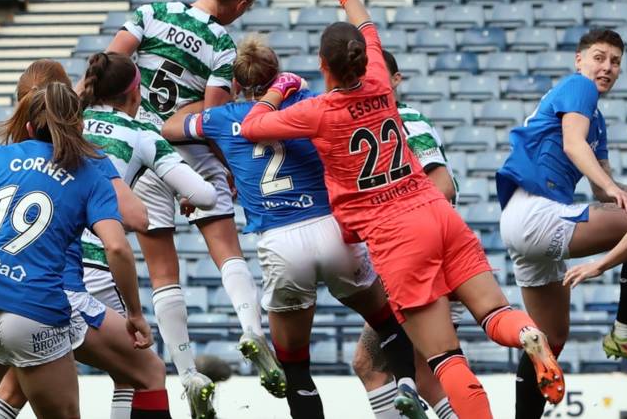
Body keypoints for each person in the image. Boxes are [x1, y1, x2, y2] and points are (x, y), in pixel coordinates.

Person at [239, 0, 564, 419]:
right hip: (436, 212)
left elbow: (251, 127)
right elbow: (365, 23)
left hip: (395, 234)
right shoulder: (379, 80)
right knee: (495, 313)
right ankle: (528, 335)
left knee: (444, 358)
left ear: (324, 66)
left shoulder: (320, 112)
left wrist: (277, 90)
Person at [162, 34, 428, 419]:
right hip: (331, 229)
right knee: (386, 322)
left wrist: (209, 108)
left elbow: (170, 128)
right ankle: (406, 384)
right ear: (277, 76)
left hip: (280, 242)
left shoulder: (221, 119)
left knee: (296, 365)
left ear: (237, 83)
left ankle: (262, 343)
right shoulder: (311, 105)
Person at [102, 0, 279, 415]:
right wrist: (216, 174)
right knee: (226, 250)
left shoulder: (151, 13)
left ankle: (186, 374)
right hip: (191, 152)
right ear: (240, 4)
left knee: (163, 275)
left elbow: (112, 63)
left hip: (143, 151)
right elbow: (216, 118)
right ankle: (251, 331)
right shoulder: (223, 45)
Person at [0, 81, 153, 419]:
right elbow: (116, 247)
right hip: (34, 308)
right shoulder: (91, 175)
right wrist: (134, 314)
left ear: (28, 127)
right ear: (79, 126)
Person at [496, 29, 627, 418]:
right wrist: (613, 190)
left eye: (615, 62)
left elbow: (602, 191)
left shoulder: (597, 119)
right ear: (579, 60)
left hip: (520, 221)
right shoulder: (580, 88)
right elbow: (574, 145)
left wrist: (621, 189)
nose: (606, 67)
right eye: (599, 56)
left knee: (551, 337)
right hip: (539, 215)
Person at [351, 50, 459, 419]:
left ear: (395, 81)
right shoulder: (370, 125)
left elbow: (443, 187)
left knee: (373, 365)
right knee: (419, 373)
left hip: (421, 258)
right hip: (415, 256)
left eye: (379, 77)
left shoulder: (405, 120)